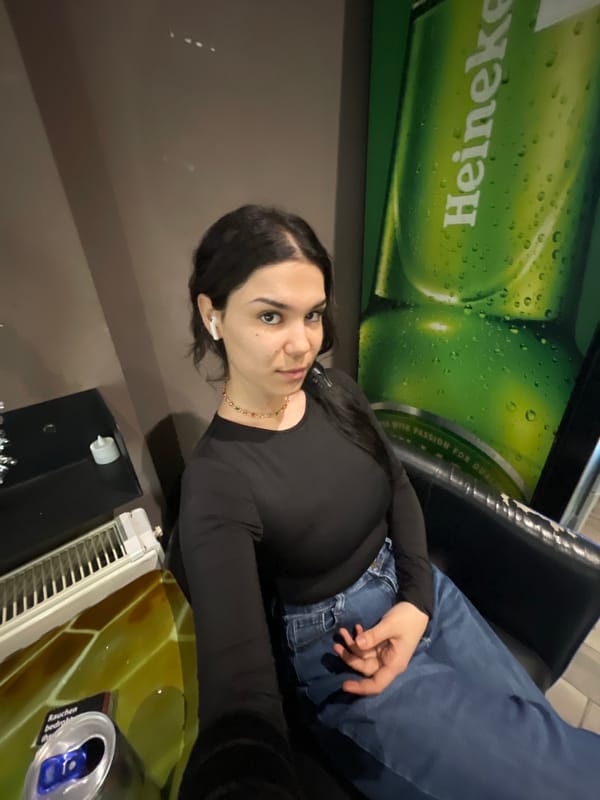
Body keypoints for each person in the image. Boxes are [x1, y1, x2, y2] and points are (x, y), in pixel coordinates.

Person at [176, 204, 600, 800]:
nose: (302, 344)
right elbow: (239, 691)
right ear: (212, 314)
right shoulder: (217, 483)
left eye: (313, 315)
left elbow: (397, 489)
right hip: (346, 654)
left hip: (418, 589)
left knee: (546, 738)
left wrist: (417, 601)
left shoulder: (333, 391)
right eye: (271, 316)